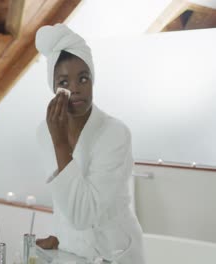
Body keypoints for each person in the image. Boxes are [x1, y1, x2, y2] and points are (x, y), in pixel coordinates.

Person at [34, 23, 145, 263]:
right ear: (53, 87)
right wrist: (60, 233)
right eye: (63, 82)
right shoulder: (44, 132)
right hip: (72, 252)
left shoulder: (115, 133)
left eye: (83, 79)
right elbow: (61, 195)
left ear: (92, 81)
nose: (75, 89)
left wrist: (60, 143)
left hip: (113, 253)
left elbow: (85, 214)